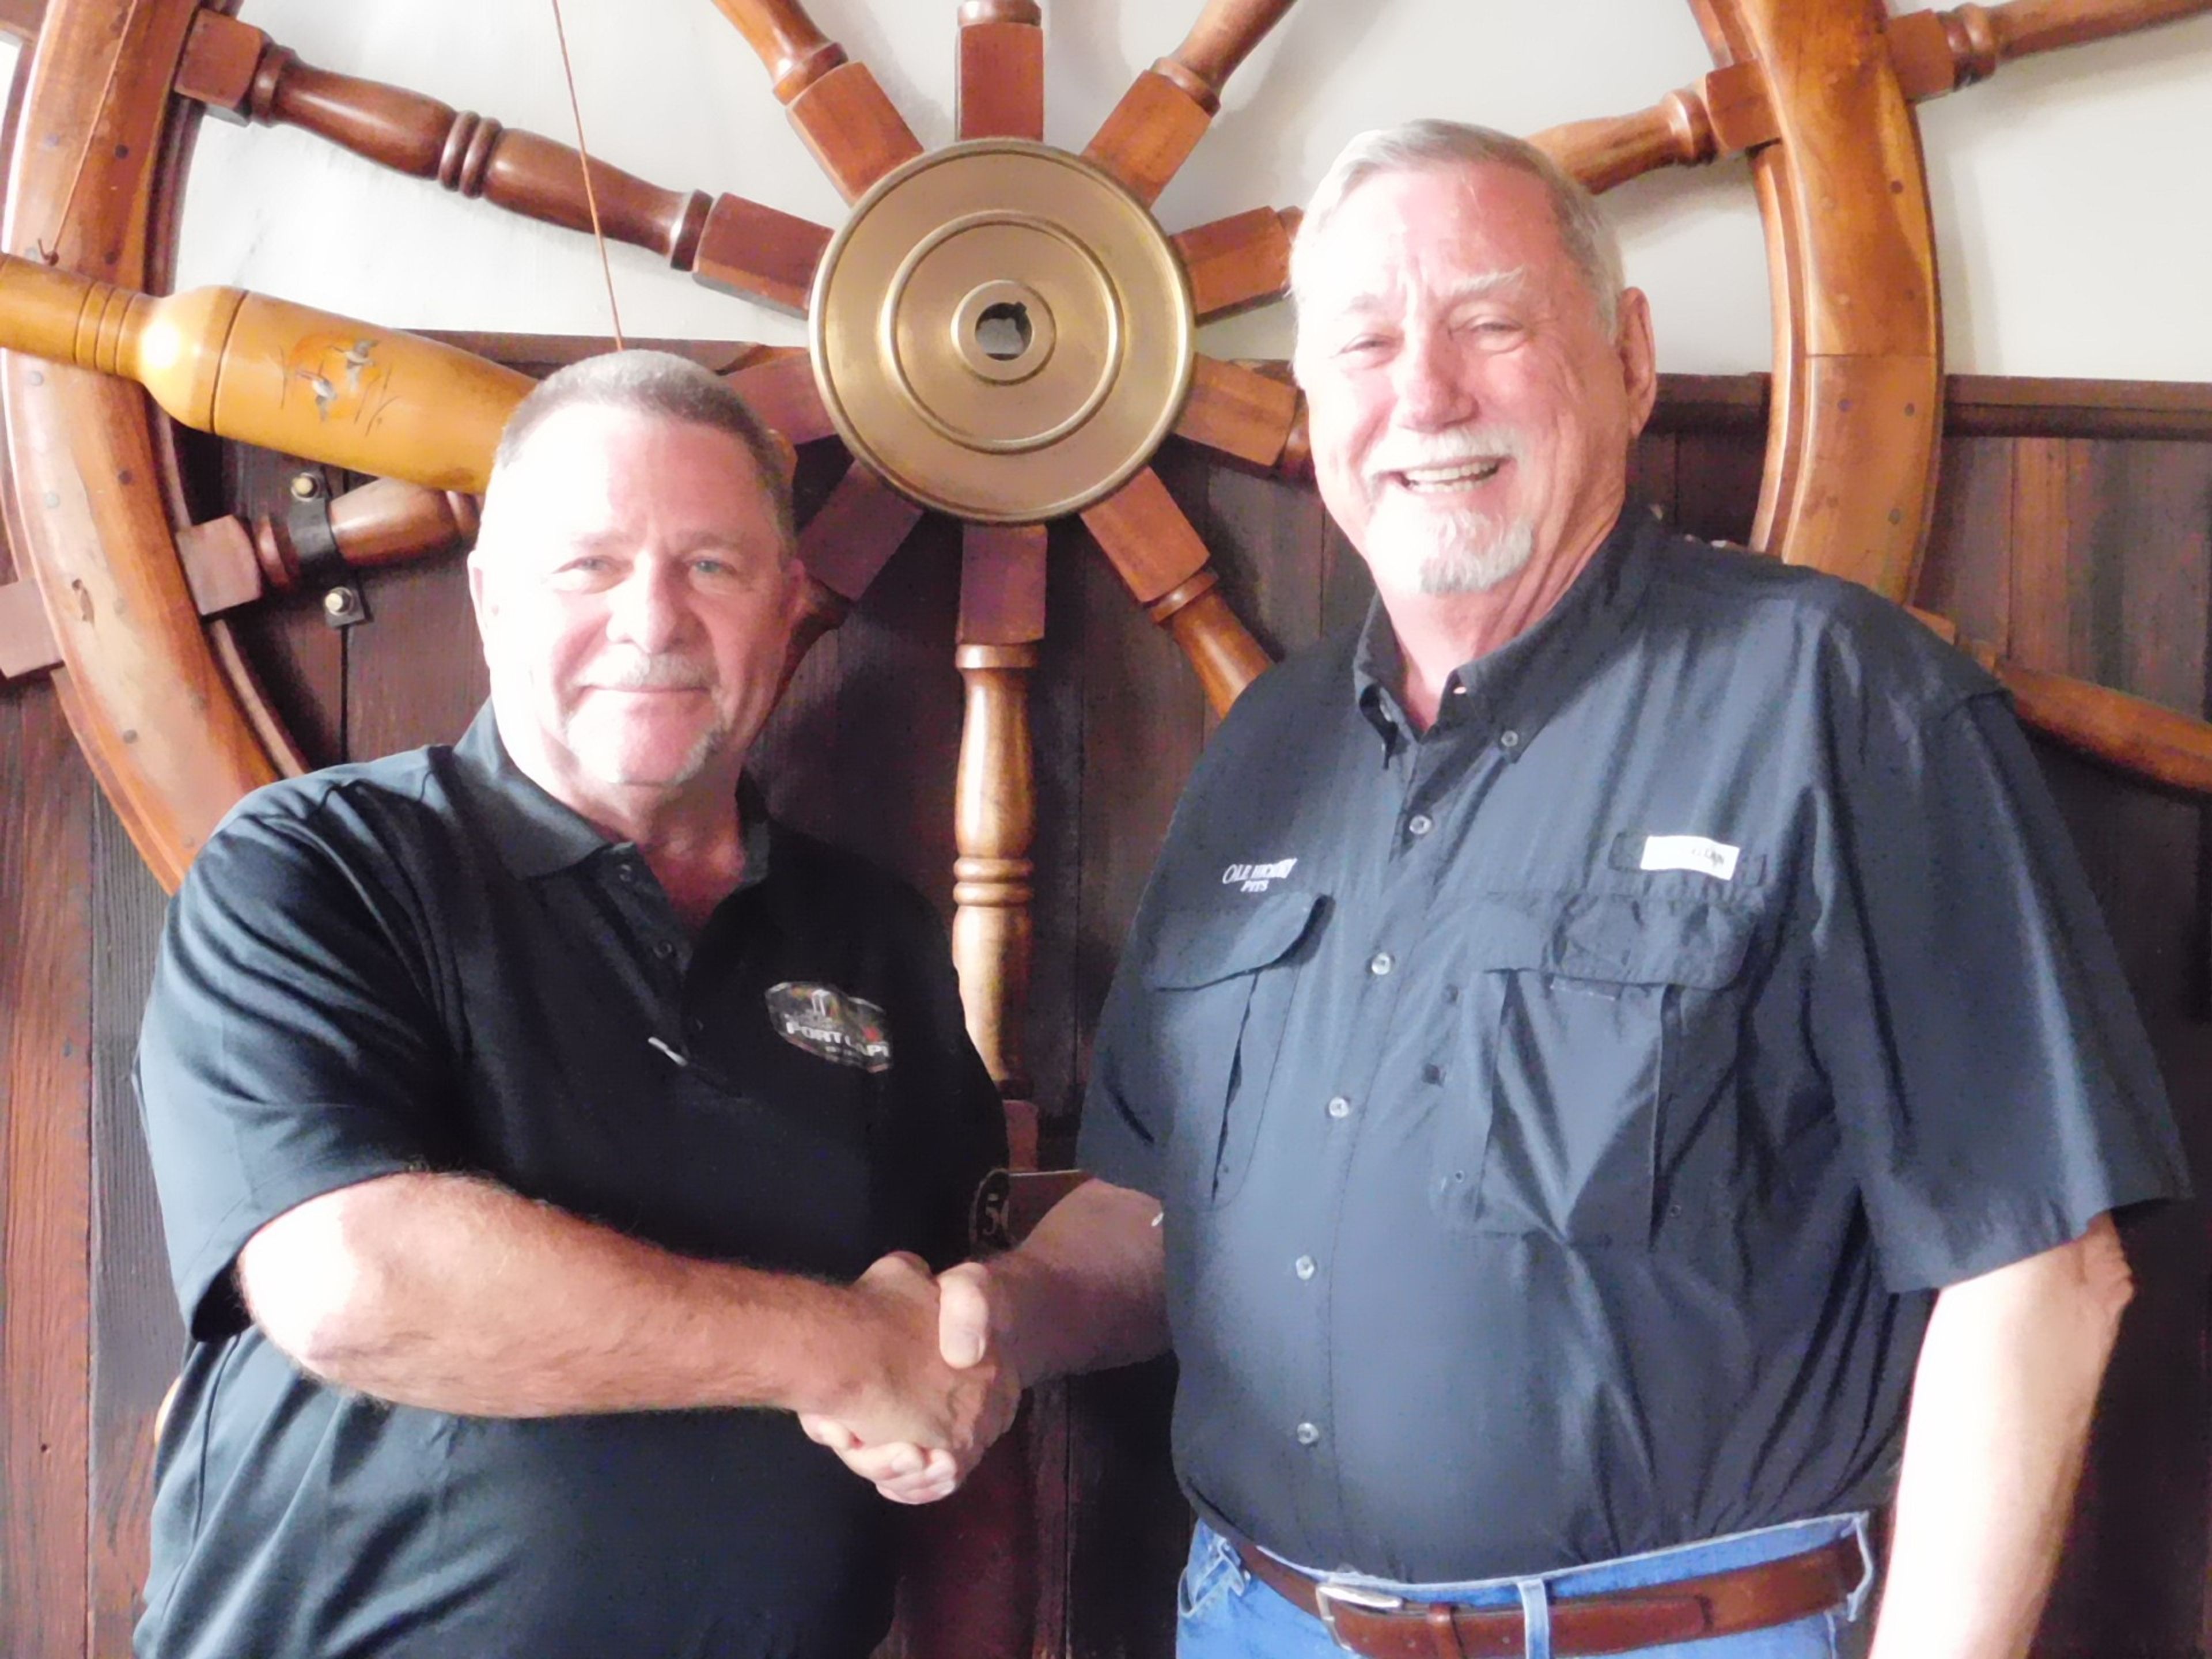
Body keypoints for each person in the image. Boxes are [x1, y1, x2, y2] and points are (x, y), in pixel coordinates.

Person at [809, 121, 2190, 1659]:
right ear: (1318, 405)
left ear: (1628, 357)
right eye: (1368, 344)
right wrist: (994, 1318)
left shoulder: (1838, 700)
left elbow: (2042, 1274)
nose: (1427, 395)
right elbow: (1149, 1214)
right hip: (1257, 1625)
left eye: (1490, 322)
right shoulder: (1265, 749)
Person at [132, 350, 1016, 1659]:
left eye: (711, 566)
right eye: (588, 566)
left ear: (784, 607)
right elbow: (347, 1281)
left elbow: (947, 1312)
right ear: (491, 598)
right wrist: (832, 1350)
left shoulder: (874, 932)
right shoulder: (321, 862)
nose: (653, 621)